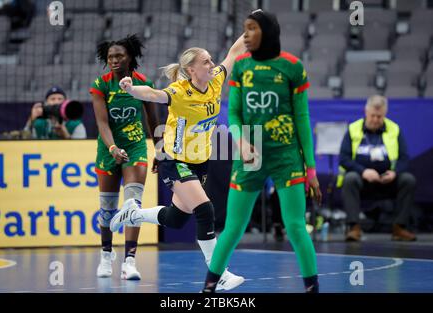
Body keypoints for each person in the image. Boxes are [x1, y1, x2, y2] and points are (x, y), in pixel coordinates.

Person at [109, 34, 247, 291]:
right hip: (174, 159)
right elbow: (152, 93)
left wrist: (253, 26)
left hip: (200, 161)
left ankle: (133, 213)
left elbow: (234, 52)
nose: (212, 64)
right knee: (205, 210)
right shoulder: (179, 92)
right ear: (191, 70)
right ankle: (219, 274)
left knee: (175, 219)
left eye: (210, 60)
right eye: (205, 61)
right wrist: (129, 88)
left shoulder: (216, 79)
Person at [201, 10, 322, 293]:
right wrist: (241, 142)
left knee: (295, 227)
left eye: (252, 28)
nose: (246, 35)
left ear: (267, 32)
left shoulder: (293, 67)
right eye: (244, 28)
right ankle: (207, 289)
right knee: (232, 229)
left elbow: (302, 118)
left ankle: (312, 288)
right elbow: (234, 114)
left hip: (286, 157)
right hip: (249, 158)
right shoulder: (241, 67)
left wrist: (311, 168)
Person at [89, 34, 161, 280]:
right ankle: (106, 255)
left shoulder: (143, 83)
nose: (114, 60)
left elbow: (153, 121)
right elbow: (101, 122)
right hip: (108, 148)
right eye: (110, 57)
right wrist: (111, 148)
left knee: (133, 204)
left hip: (135, 146)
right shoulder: (101, 84)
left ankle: (130, 260)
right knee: (107, 208)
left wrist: (159, 151)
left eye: (119, 56)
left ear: (130, 57)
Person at [337, 95, 417, 242]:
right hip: (363, 181)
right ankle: (354, 228)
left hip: (387, 181)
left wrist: (395, 173)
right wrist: (364, 171)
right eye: (373, 115)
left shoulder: (394, 129)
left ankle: (399, 227)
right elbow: (344, 158)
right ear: (366, 112)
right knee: (350, 178)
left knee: (408, 180)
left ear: (385, 114)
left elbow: (404, 158)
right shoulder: (353, 129)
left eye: (379, 116)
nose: (375, 119)